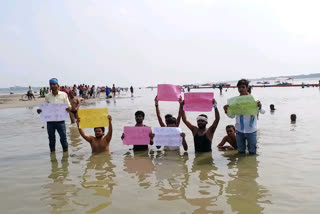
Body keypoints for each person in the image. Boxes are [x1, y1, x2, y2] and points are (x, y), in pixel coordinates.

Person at [223, 79, 264, 155]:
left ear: (247, 88)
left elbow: (263, 112)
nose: (241, 89)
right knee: (241, 152)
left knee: (253, 153)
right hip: (239, 131)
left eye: (243, 87)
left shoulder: (254, 99)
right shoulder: (235, 101)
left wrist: (260, 107)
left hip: (251, 130)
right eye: (239, 88)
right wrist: (226, 111)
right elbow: (232, 116)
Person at [37, 78, 71, 153]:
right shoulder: (47, 96)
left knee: (63, 138)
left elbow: (69, 106)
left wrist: (68, 109)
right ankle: (52, 154)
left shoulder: (64, 94)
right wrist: (40, 110)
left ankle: (66, 154)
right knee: (51, 139)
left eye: (54, 84)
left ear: (57, 85)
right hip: (50, 122)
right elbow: (45, 107)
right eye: (51, 84)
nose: (52, 86)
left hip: (60, 121)